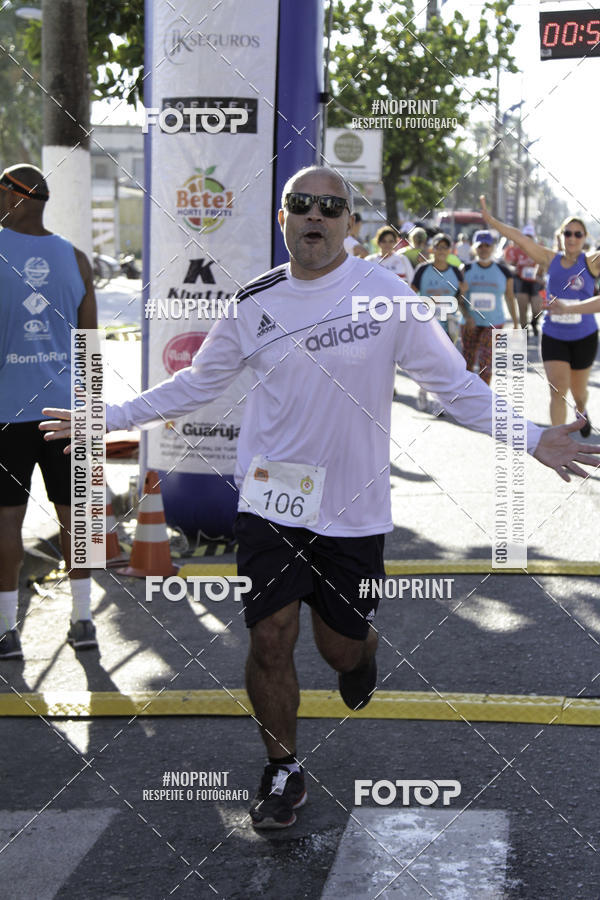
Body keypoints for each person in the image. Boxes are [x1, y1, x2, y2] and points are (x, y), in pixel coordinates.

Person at [41, 166, 600, 830]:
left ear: (347, 222)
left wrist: (533, 435)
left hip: (352, 510)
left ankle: (362, 653)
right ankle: (283, 769)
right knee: (270, 637)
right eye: (300, 204)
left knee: (340, 650)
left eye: (329, 207)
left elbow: (456, 388)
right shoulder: (254, 301)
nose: (315, 216)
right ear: (282, 218)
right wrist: (114, 416)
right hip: (272, 505)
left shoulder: (387, 295)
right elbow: (197, 383)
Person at [0, 164, 98, 659]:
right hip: (69, 413)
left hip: (6, 415)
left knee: (4, 524)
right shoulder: (76, 259)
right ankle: (83, 621)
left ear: (15, 195)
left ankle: (5, 630)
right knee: (76, 519)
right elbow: (90, 347)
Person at [481, 197, 600, 433]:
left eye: (578, 234)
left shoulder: (592, 262)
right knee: (558, 390)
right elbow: (521, 239)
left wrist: (569, 309)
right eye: (568, 233)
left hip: (584, 335)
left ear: (585, 238)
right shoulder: (549, 259)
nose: (573, 238)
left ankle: (581, 409)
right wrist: (491, 221)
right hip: (554, 335)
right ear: (561, 236)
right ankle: (560, 441)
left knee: (578, 391)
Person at [411, 233, 466, 414]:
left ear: (450, 251)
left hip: (448, 323)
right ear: (432, 249)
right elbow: (411, 294)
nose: (441, 251)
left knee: (444, 363)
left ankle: (439, 402)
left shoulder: (456, 271)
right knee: (427, 362)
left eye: (445, 247)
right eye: (438, 247)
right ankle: (423, 389)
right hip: (426, 323)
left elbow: (460, 297)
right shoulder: (422, 270)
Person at [459, 229, 518, 385]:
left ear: (493, 247)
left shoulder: (504, 271)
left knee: (486, 362)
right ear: (474, 248)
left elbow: (510, 298)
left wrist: (517, 323)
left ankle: (483, 398)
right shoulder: (465, 269)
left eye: (487, 245)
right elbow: (457, 299)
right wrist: (466, 315)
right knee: (467, 362)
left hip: (494, 322)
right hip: (470, 322)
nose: (484, 249)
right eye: (480, 246)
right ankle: (466, 397)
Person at [504, 225, 544, 336]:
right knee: (523, 307)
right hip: (520, 280)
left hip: (536, 280)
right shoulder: (513, 249)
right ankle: (524, 330)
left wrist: (539, 270)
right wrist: (514, 269)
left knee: (538, 307)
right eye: (525, 236)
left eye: (529, 237)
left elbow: (545, 263)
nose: (527, 239)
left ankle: (534, 322)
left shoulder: (539, 248)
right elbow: (508, 265)